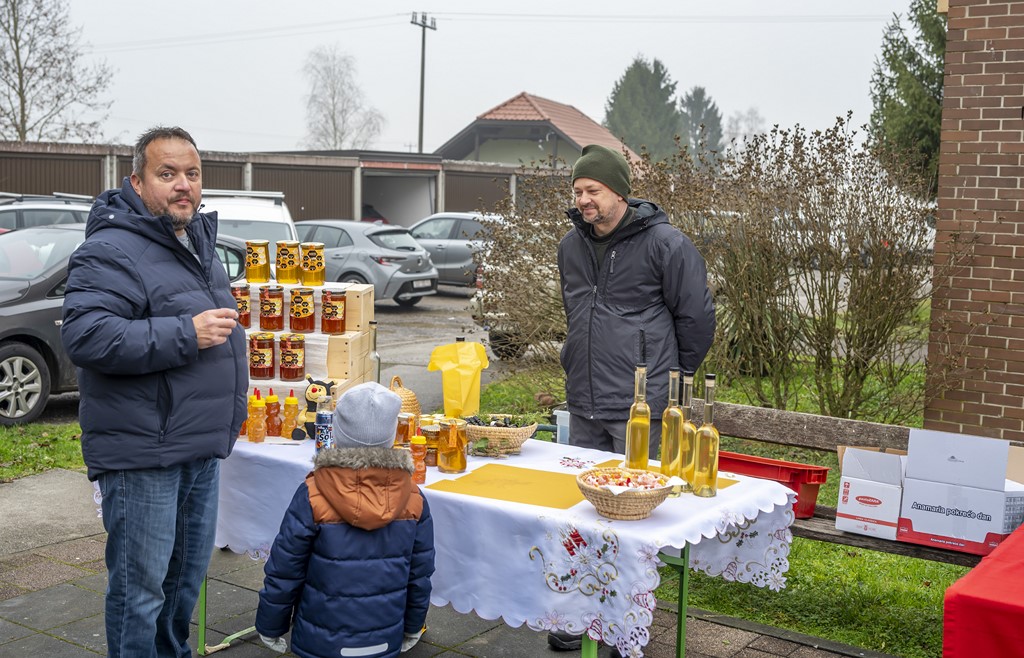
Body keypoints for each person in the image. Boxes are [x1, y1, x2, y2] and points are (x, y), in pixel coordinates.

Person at [61, 126, 248, 657]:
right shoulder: (110, 248)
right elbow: (87, 336)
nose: (182, 185)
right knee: (139, 592)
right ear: (137, 182)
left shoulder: (195, 245)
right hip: (145, 453)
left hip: (198, 448)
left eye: (191, 174)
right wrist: (186, 333)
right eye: (167, 174)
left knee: (183, 586)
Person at [551, 145, 715, 652]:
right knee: (580, 513)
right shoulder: (569, 246)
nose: (583, 200)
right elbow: (578, 315)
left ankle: (627, 621)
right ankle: (576, 614)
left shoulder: (666, 244)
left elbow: (697, 317)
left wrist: (673, 378)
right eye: (578, 191)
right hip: (585, 399)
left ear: (619, 191)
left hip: (639, 407)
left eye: (592, 190)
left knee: (637, 518)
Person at [256, 382, 435, 658]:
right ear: (391, 437)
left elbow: (285, 568)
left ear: (337, 433)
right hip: (384, 639)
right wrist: (412, 626)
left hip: (320, 641)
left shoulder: (313, 492)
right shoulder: (413, 496)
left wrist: (271, 625)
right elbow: (419, 574)